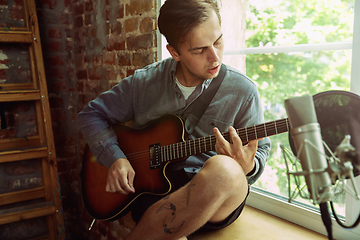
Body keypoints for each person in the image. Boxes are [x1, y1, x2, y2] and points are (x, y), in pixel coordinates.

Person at [78, 0, 271, 239]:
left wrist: (247, 165)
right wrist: (115, 158)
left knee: (225, 169)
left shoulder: (243, 91)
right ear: (174, 52)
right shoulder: (144, 83)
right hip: (154, 194)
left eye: (218, 41)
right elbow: (91, 115)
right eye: (200, 50)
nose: (215, 57)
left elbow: (260, 150)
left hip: (214, 200)